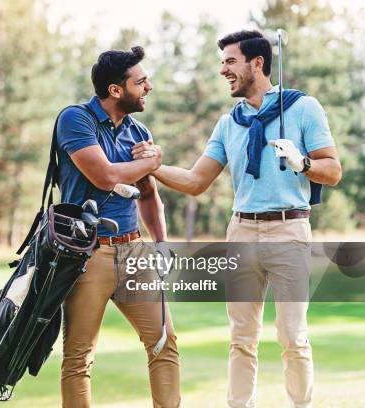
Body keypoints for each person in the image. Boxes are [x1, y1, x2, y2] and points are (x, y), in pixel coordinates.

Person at [140, 30, 341, 408]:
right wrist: (153, 166)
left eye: (230, 61)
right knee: (241, 337)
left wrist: (304, 163)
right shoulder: (229, 123)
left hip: (289, 229)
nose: (223, 70)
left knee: (293, 336)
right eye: (223, 63)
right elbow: (196, 181)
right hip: (241, 230)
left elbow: (333, 170)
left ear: (257, 63)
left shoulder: (303, 108)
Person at [57, 46, 181, 408]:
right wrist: (150, 162)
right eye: (141, 82)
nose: (149, 87)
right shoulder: (75, 119)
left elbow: (147, 194)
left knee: (164, 342)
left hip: (134, 250)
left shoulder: (138, 130)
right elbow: (105, 176)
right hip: (87, 253)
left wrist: (161, 243)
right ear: (115, 90)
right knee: (79, 357)